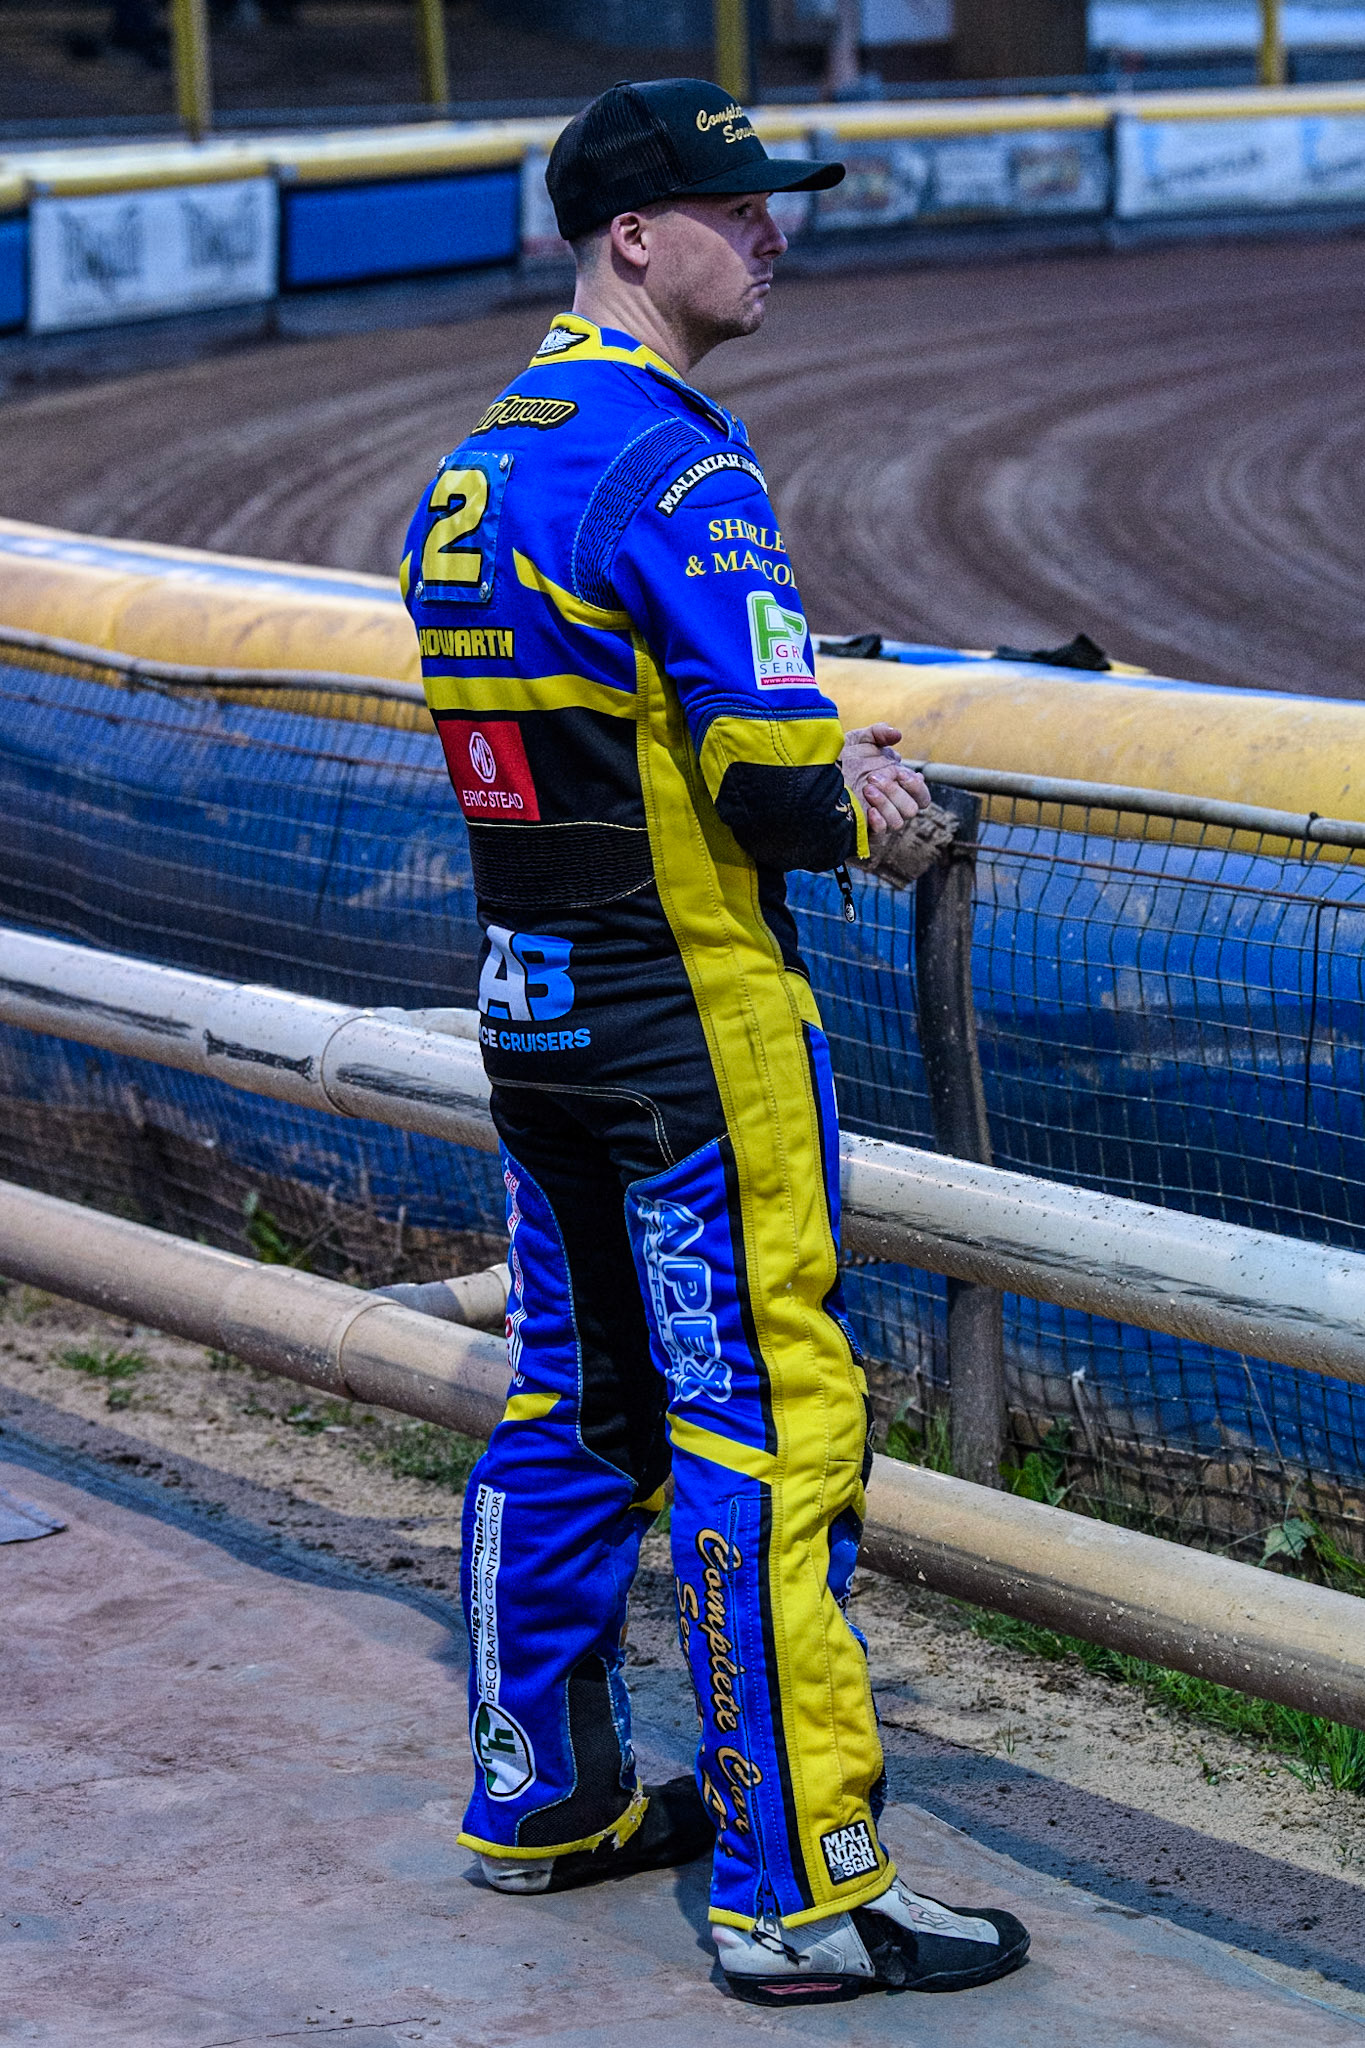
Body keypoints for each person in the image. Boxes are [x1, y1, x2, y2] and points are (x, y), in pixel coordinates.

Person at [399, 76, 1030, 2006]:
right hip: (699, 1034)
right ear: (629, 237)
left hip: (537, 1015)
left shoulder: (479, 463)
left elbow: (603, 734)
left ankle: (542, 1796)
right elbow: (762, 774)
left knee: (570, 1407)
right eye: (734, 208)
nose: (773, 235)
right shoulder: (680, 462)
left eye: (774, 205)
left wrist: (784, 750)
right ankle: (800, 1885)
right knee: (773, 1430)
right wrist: (872, 804)